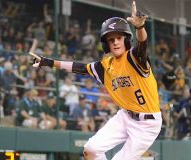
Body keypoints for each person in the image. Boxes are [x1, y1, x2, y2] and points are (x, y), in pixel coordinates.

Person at [31, 1, 162, 159]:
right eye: (110, 39)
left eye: (119, 37)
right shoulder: (105, 66)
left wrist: (139, 27)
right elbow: (79, 67)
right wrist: (50, 63)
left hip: (147, 124)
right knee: (91, 149)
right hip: (125, 116)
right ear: (106, 45)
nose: (115, 42)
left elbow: (143, 45)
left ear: (127, 40)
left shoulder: (134, 58)